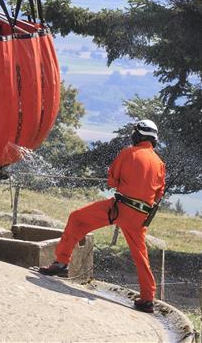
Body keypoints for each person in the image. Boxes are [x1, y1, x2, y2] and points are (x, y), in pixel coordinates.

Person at [39, 119, 165, 313]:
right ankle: (147, 299)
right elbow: (158, 195)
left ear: (138, 135)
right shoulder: (160, 163)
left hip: (119, 208)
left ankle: (61, 262)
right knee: (141, 256)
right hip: (140, 216)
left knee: (77, 219)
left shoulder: (128, 153)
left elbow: (112, 181)